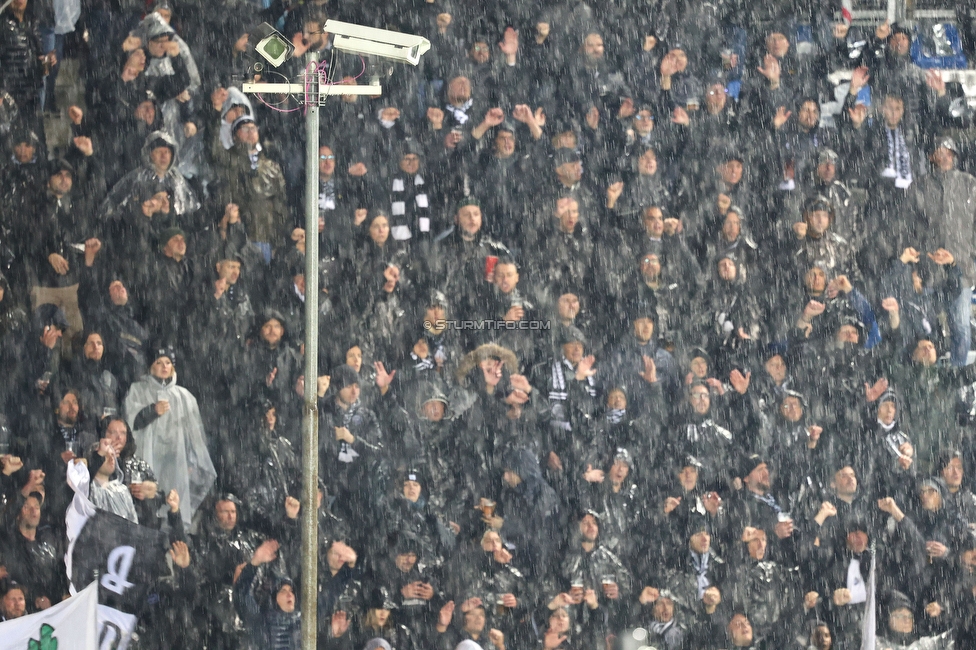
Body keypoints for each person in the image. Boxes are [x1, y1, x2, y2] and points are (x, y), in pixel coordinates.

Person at [123, 347, 215, 526]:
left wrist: (192, 462)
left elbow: (195, 437)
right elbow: (129, 423)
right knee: (147, 506)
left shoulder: (185, 397)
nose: (164, 367)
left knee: (173, 503)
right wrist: (151, 412)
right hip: (146, 457)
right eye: (159, 362)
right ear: (151, 366)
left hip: (175, 461)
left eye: (168, 363)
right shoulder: (138, 390)